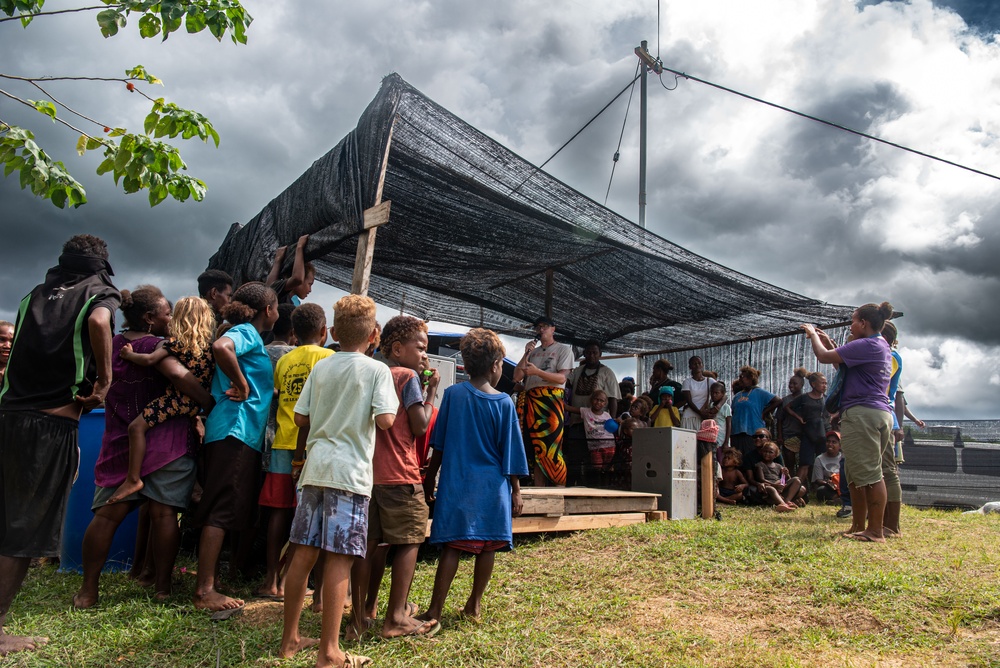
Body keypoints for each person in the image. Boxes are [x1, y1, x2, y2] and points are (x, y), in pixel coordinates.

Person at [0, 235, 119, 656]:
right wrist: (104, 382)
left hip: (9, 416)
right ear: (100, 265)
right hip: (50, 426)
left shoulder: (32, 295)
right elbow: (101, 324)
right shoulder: (99, 293)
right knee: (22, 532)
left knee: (5, 519)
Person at [73, 286, 212, 609]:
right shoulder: (156, 346)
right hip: (168, 444)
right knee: (165, 515)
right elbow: (179, 376)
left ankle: (88, 590)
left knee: (106, 516)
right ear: (150, 319)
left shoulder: (113, 346)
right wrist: (207, 401)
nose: (170, 319)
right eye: (166, 314)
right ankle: (162, 587)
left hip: (120, 443)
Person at [279, 294, 399, 667]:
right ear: (374, 335)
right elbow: (386, 421)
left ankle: (290, 641)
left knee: (303, 553)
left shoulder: (322, 367)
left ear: (331, 331)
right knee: (340, 560)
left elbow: (300, 419)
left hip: (315, 471)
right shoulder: (377, 370)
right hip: (350, 475)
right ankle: (330, 653)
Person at [418, 328, 528, 623]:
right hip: (494, 487)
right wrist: (516, 491)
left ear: (465, 365)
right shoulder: (505, 402)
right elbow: (511, 453)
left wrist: (429, 481)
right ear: (496, 366)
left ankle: (435, 609)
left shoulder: (453, 395)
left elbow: (437, 445)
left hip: (457, 485)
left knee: (452, 547)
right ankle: (474, 605)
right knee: (488, 546)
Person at [351, 315, 440, 640]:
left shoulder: (369, 372)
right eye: (420, 348)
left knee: (368, 545)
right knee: (410, 539)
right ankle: (397, 617)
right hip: (400, 474)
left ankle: (357, 620)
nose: (423, 356)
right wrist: (430, 391)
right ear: (398, 348)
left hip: (365, 475)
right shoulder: (406, 376)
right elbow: (419, 426)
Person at [193, 282, 279, 614]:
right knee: (220, 507)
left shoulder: (249, 335)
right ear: (268, 310)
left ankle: (211, 579)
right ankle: (204, 590)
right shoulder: (243, 331)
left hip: (236, 431)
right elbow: (221, 347)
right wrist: (243, 385)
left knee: (226, 506)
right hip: (234, 429)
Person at [106, 297, 216, 504]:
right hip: (193, 407)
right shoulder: (211, 349)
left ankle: (133, 479)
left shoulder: (174, 345)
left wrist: (129, 355)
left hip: (175, 400)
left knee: (135, 428)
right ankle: (196, 486)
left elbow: (149, 360)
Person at [802, 301, 895, 543]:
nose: (851, 325)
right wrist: (832, 344)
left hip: (863, 414)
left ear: (864, 323)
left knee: (871, 474)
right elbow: (841, 363)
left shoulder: (867, 344)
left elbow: (823, 357)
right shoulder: (878, 344)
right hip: (872, 412)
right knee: (854, 474)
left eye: (853, 320)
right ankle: (858, 524)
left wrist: (812, 335)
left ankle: (875, 531)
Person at [257, 303, 333, 601]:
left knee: (278, 511)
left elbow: (279, 393)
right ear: (324, 331)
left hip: (281, 442)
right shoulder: (329, 358)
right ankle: (311, 584)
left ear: (294, 333)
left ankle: (271, 580)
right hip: (312, 445)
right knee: (313, 513)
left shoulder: (285, 361)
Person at [513, 316, 574, 487]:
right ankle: (539, 489)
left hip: (550, 402)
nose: (541, 330)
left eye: (545, 326)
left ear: (553, 329)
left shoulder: (563, 349)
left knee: (551, 447)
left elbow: (562, 378)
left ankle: (559, 490)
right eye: (538, 327)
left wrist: (538, 372)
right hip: (531, 402)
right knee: (535, 448)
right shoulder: (533, 352)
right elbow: (517, 377)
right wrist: (526, 353)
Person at [783, 371, 830, 491]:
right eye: (822, 383)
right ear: (813, 384)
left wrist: (832, 417)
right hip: (808, 433)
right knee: (805, 463)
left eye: (826, 383)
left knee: (823, 461)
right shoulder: (804, 398)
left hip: (823, 433)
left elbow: (837, 409)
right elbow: (787, 407)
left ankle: (822, 488)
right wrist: (799, 418)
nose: (825, 386)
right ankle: (795, 489)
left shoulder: (826, 398)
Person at [730, 365, 782, 463]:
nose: (740, 379)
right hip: (737, 432)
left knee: (751, 458)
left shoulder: (759, 392)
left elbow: (778, 401)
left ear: (750, 378)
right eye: (740, 377)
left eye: (743, 377)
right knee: (738, 459)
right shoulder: (737, 396)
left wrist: (765, 412)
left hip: (752, 432)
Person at [566, 389, 616, 478]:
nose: (598, 402)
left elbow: (612, 427)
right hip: (595, 447)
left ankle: (606, 486)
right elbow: (568, 408)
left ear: (605, 403)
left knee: (608, 468)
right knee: (597, 468)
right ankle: (598, 485)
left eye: (602, 401)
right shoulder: (586, 412)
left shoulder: (607, 415)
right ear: (591, 400)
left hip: (609, 445)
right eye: (596, 399)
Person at [753, 442, 803, 511]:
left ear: (775, 455)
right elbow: (761, 479)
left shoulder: (778, 466)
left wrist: (786, 474)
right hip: (768, 486)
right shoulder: (760, 465)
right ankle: (782, 504)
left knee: (797, 479)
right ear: (761, 452)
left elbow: (786, 480)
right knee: (771, 489)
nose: (767, 454)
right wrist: (775, 485)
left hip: (779, 487)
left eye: (770, 452)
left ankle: (787, 501)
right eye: (765, 451)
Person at [267, 234, 315, 306]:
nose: (310, 290)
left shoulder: (294, 303)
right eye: (309, 284)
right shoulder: (279, 293)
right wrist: (299, 247)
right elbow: (297, 279)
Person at [776, 368, 807, 472]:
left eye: (795, 383)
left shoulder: (807, 399)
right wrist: (779, 436)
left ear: (802, 385)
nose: (791, 385)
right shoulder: (785, 400)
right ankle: (790, 483)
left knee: (804, 463)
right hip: (788, 434)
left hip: (803, 435)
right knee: (789, 463)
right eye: (790, 383)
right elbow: (779, 419)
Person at [679, 356, 713, 430]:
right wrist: (700, 413)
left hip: (704, 417)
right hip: (689, 416)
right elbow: (689, 401)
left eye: (699, 363)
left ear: (702, 365)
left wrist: (716, 408)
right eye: (694, 364)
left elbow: (723, 395)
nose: (697, 365)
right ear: (690, 367)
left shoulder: (710, 381)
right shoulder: (687, 382)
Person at [813, 431, 843, 503]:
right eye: (828, 441)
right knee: (821, 491)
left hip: (842, 485)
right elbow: (819, 480)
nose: (830, 444)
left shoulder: (844, 458)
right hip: (830, 487)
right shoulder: (819, 459)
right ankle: (839, 499)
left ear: (840, 445)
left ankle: (840, 499)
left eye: (834, 442)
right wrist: (827, 483)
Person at [708, 382, 732, 452]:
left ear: (722, 394)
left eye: (717, 393)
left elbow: (729, 425)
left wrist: (726, 442)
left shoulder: (725, 407)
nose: (714, 395)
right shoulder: (711, 405)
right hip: (712, 439)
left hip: (722, 440)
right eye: (712, 393)